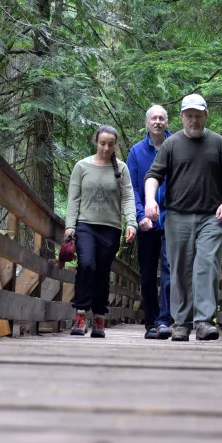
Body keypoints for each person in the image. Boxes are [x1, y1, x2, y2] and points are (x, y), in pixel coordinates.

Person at [144, 94, 222, 341]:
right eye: (189, 116)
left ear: (206, 116)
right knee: (180, 269)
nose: (193, 121)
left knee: (206, 265)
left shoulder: (218, 143)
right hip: (178, 216)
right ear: (182, 117)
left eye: (198, 116)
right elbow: (153, 175)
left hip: (211, 216)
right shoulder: (171, 145)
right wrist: (151, 200)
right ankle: (181, 323)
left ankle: (204, 321)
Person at [64, 125, 137, 337]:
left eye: (111, 144)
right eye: (102, 143)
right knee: (86, 265)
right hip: (85, 225)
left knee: (103, 272)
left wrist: (131, 222)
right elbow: (73, 199)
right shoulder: (81, 166)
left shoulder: (121, 169)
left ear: (115, 145)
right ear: (96, 142)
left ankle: (99, 318)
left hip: (110, 228)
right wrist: (70, 227)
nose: (106, 148)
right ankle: (80, 315)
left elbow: (128, 197)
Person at [126, 105, 174, 340]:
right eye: (153, 118)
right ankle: (151, 322)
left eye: (161, 118)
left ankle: (164, 320)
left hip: (172, 219)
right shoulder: (136, 152)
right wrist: (139, 216)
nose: (157, 121)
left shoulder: (177, 146)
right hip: (146, 221)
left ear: (167, 122)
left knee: (168, 270)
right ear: (147, 123)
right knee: (146, 274)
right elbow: (132, 188)